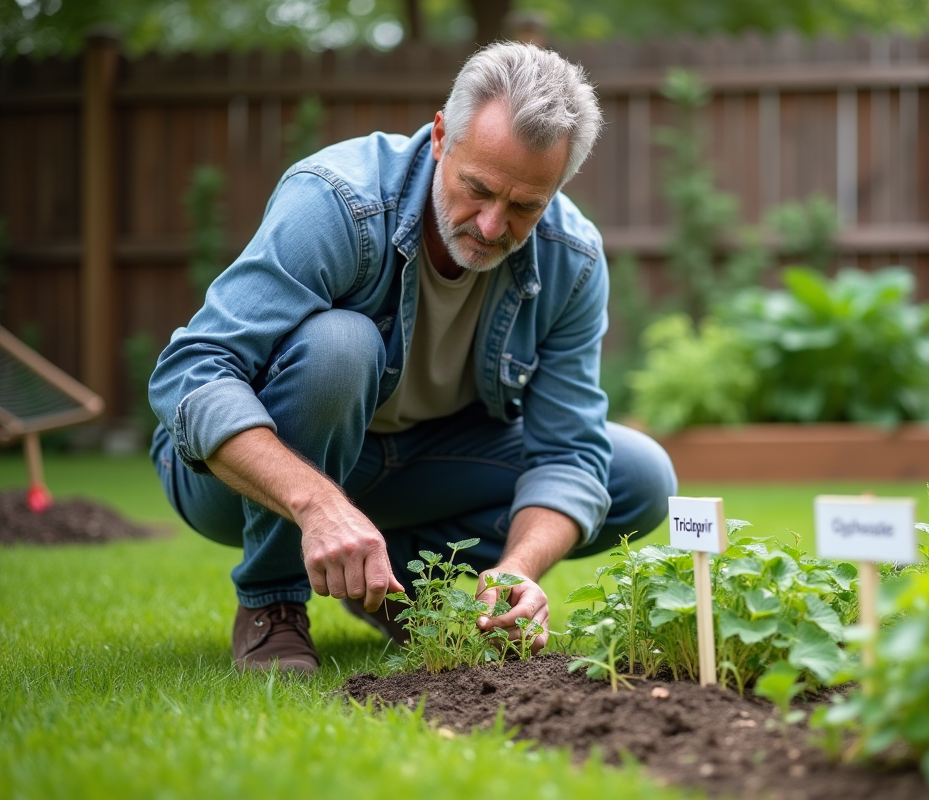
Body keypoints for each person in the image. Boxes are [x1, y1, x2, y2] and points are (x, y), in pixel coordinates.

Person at [148, 42, 677, 675]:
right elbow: (192, 372)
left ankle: (384, 577)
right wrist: (318, 505)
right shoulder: (337, 201)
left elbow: (568, 450)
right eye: (476, 189)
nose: (489, 226)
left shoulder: (575, 258)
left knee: (639, 476)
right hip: (242, 477)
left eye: (523, 206)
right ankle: (272, 601)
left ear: (557, 188)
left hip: (422, 465)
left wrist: (516, 570)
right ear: (439, 137)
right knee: (340, 347)